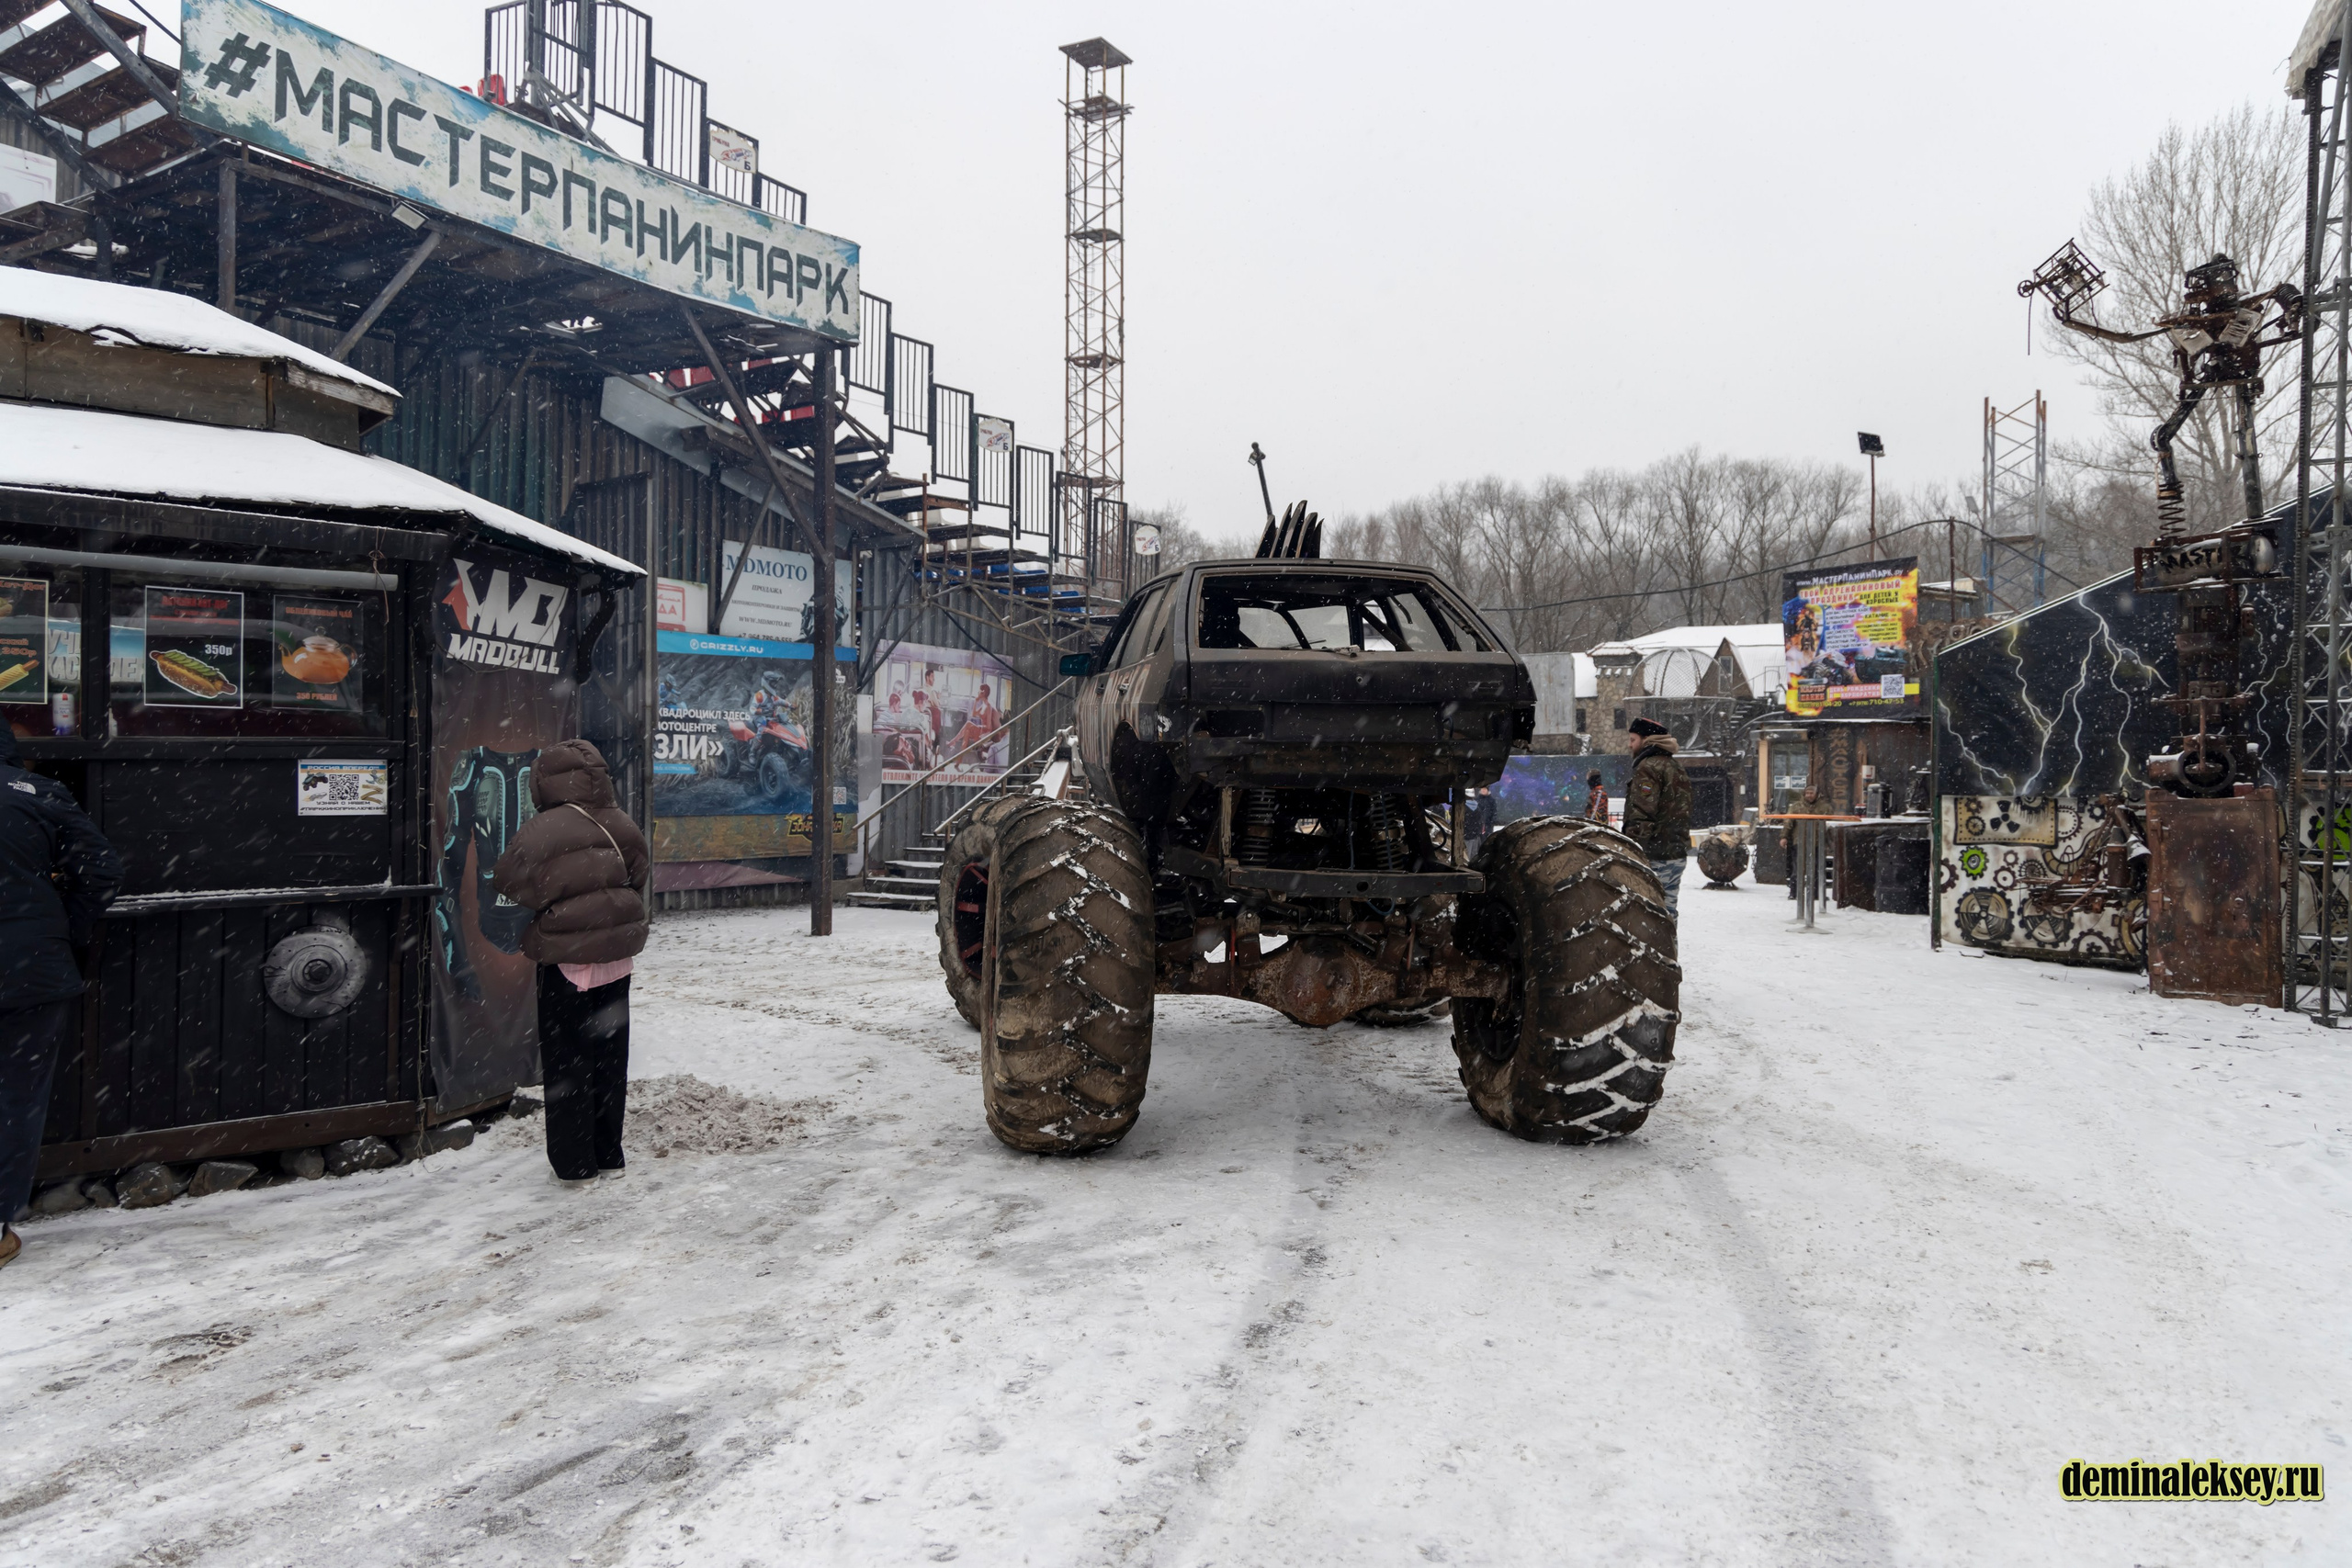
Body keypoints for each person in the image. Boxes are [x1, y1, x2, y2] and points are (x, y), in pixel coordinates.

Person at [492, 739, 650, 1186]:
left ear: (545, 782)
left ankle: (575, 1164)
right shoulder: (621, 822)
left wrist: (555, 896)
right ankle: (608, 1154)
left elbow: (507, 880)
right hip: (616, 961)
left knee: (567, 1064)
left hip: (566, 961)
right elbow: (637, 874)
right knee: (609, 1059)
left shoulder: (542, 830)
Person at [0, 725, 120, 1269]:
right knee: (15, 1098)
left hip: (33, 964)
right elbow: (99, 871)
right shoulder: (40, 794)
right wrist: (60, 930)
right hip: (30, 972)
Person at [1621, 718, 1692, 918]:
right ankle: (1669, 948)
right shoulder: (1676, 767)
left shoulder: (1648, 768)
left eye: (1633, 739)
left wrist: (1631, 851)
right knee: (1667, 913)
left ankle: (1653, 948)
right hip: (1676, 852)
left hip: (1654, 855)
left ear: (1646, 740)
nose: (1630, 744)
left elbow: (1642, 814)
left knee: (1646, 915)